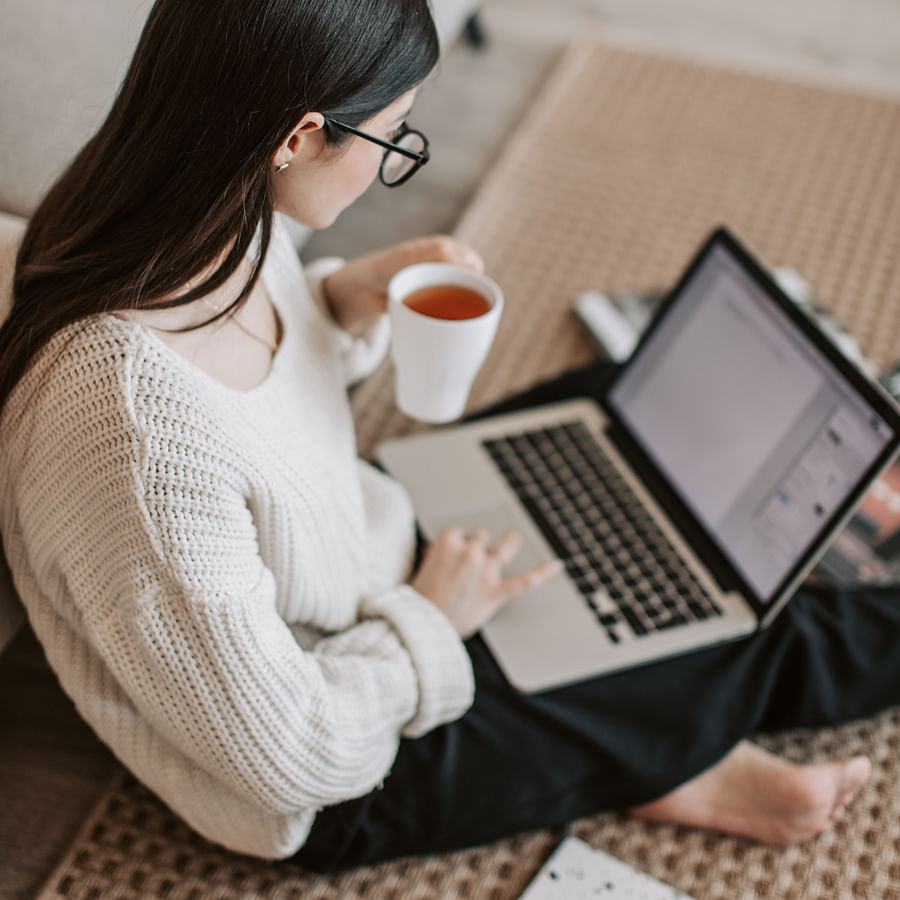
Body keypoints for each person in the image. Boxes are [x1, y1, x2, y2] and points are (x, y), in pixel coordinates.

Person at [0, 0, 897, 871]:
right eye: (394, 139)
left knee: (612, 419)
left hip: (364, 547)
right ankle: (654, 755)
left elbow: (248, 403)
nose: (398, 162)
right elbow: (292, 754)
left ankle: (633, 746)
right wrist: (433, 615)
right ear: (300, 138)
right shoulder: (135, 447)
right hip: (340, 762)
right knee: (748, 621)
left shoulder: (188, 206)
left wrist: (340, 302)